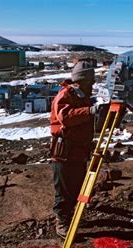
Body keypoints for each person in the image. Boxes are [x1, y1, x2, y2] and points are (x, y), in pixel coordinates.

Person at [50, 61, 99, 238]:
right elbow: (66, 117)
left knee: (77, 187)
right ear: (81, 80)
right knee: (64, 189)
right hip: (64, 152)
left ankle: (72, 217)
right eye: (89, 82)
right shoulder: (66, 94)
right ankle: (62, 222)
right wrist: (90, 111)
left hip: (78, 151)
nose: (92, 86)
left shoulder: (81, 96)